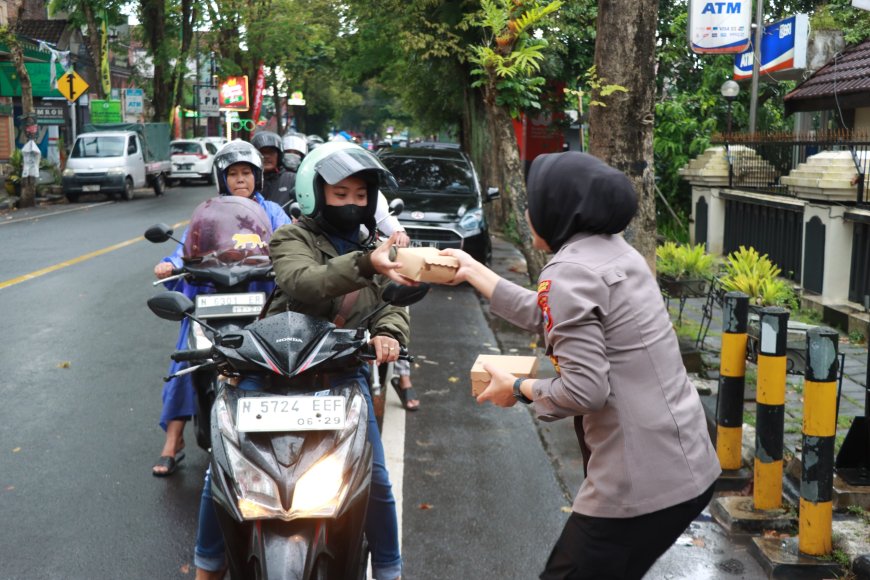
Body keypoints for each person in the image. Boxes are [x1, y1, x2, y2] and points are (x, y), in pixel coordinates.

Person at [441, 151, 721, 580]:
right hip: (689, 465)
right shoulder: (617, 254)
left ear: (558, 209)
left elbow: (585, 391)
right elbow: (551, 315)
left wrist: (517, 388)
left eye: (532, 202)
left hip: (636, 482)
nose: (527, 212)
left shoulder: (569, 272)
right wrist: (474, 270)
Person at [194, 140, 412, 580]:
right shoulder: (291, 236)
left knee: (376, 480)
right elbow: (304, 282)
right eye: (340, 194)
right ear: (316, 194)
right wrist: (368, 262)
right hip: (271, 370)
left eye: (360, 195)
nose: (352, 203)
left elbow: (394, 301)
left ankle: (390, 570)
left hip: (340, 371)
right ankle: (206, 566)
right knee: (224, 472)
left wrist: (389, 332)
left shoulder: (380, 244)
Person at [151, 141, 290, 477]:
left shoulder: (272, 211)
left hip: (260, 297)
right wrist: (169, 265)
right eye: (232, 173)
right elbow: (187, 248)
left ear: (257, 175)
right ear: (221, 178)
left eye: (246, 173)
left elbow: (290, 243)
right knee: (187, 357)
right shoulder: (210, 212)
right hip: (213, 298)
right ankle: (173, 441)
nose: (240, 179)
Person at [251, 130, 295, 211]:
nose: (267, 156)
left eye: (271, 152)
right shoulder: (248, 180)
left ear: (279, 155)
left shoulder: (291, 179)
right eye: (262, 152)